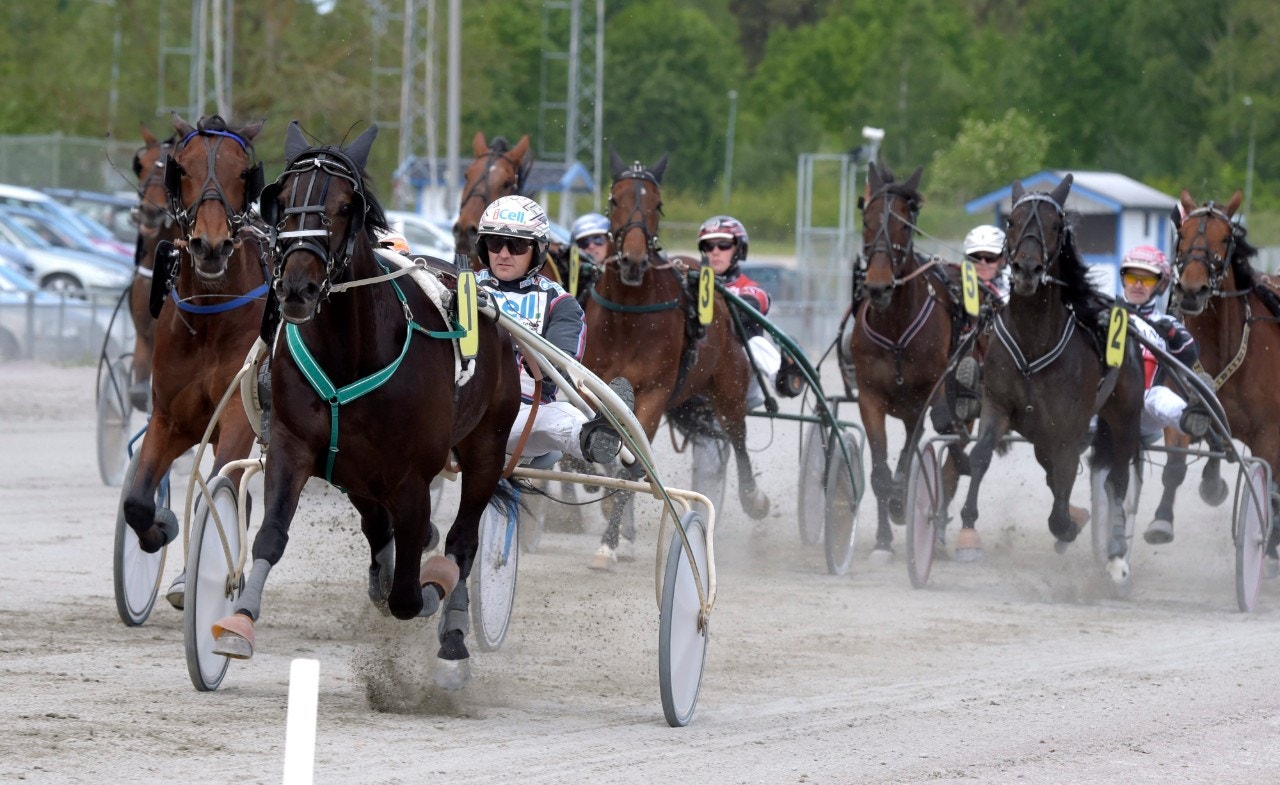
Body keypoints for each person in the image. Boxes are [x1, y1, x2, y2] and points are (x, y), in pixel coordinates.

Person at [474, 195, 634, 466]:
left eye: (517, 245)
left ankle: (596, 436)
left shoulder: (560, 303)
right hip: (457, 406)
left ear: (536, 250)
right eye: (495, 242)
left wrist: (542, 363)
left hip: (520, 415)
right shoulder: (458, 285)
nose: (503, 253)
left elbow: (560, 360)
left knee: (562, 415)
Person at [1118, 244, 1212, 447]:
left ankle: (1192, 417)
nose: (1138, 285)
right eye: (1132, 278)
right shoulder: (1104, 314)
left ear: (1160, 286)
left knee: (1160, 397)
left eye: (1148, 280)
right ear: (1123, 280)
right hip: (1105, 402)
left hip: (1146, 405)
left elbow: (1190, 354)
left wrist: (1171, 335)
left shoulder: (1167, 322)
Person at [697, 215, 782, 410]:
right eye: (709, 246)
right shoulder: (693, 287)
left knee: (757, 342)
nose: (715, 252)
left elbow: (755, 303)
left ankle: (781, 379)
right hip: (700, 374)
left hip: (740, 376)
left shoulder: (750, 288)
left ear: (739, 249)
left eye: (723, 245)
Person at [963, 224, 1010, 305]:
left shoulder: (1012, 293)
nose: (983, 263)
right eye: (975, 257)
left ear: (1003, 260)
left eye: (990, 258)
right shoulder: (954, 289)